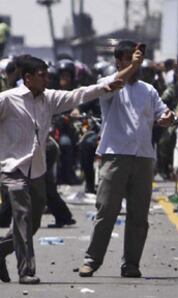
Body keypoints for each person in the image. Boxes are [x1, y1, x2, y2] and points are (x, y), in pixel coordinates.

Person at [0, 56, 122, 285]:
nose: (47, 79)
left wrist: (103, 87)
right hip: (11, 168)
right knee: (23, 217)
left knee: (32, 223)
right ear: (28, 78)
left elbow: (77, 94)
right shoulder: (7, 100)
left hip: (37, 169)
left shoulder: (49, 99)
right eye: (42, 75)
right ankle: (26, 271)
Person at [79, 40, 174, 278]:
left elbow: (162, 112)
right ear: (119, 61)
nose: (137, 64)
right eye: (131, 58)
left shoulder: (148, 90)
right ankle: (92, 259)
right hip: (115, 155)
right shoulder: (107, 84)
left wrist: (167, 117)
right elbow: (112, 85)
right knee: (107, 210)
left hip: (143, 157)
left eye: (138, 59)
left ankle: (131, 263)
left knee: (138, 216)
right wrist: (131, 66)